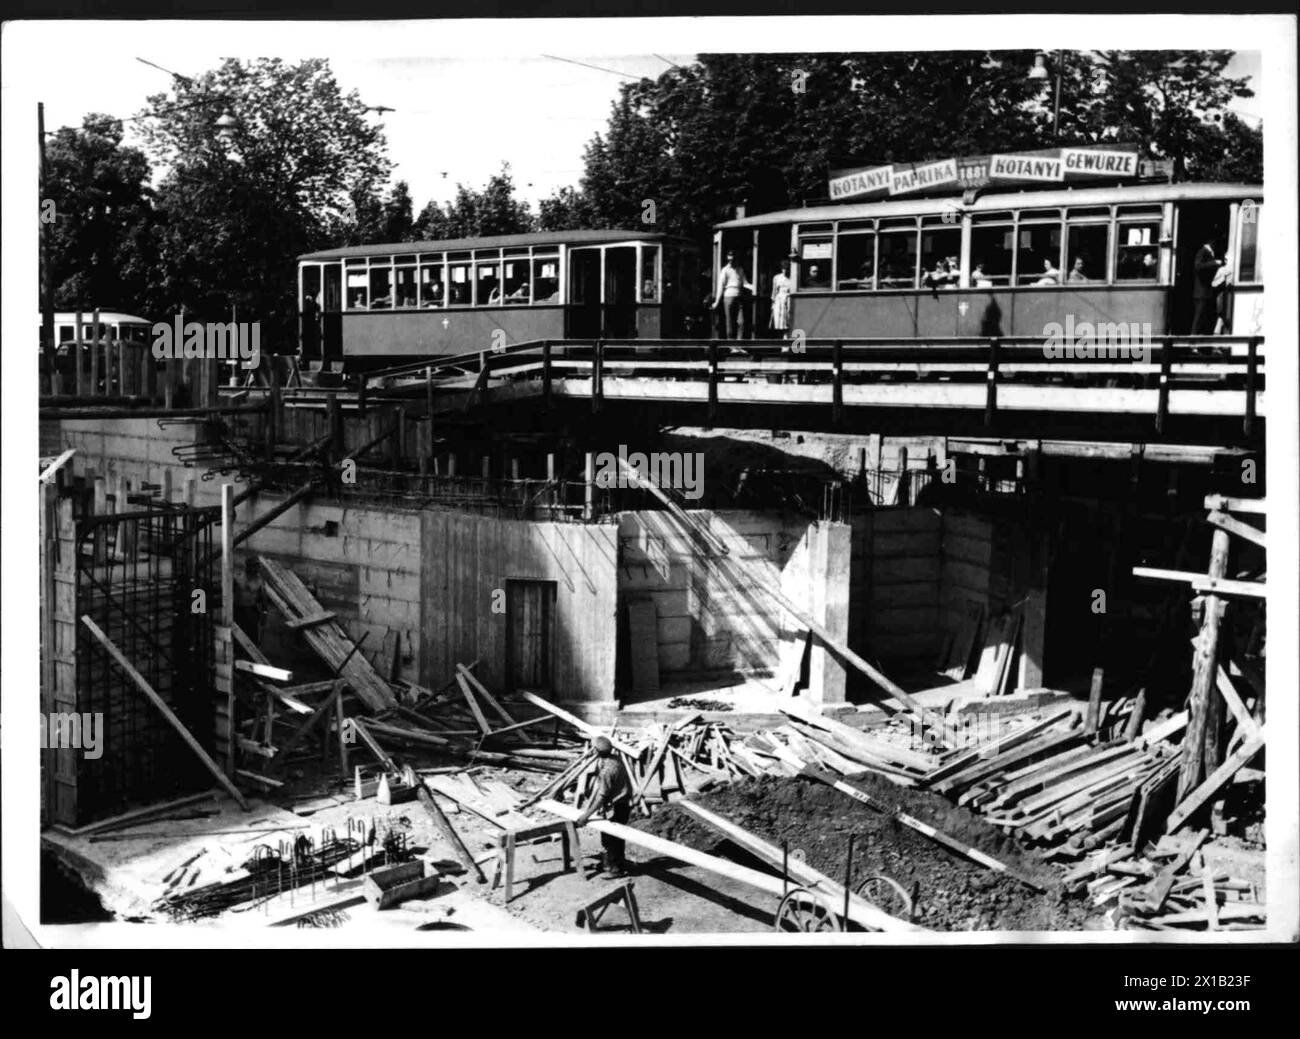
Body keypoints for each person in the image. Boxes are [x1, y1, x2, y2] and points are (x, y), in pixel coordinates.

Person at [575, 735, 632, 878]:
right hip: (619, 805)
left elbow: (602, 796)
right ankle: (607, 863)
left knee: (614, 840)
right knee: (608, 838)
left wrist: (585, 816)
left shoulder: (608, 770)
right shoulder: (616, 760)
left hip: (618, 807)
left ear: (596, 750)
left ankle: (616, 870)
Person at [714, 250, 754, 340]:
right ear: (727, 259)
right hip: (728, 297)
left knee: (741, 322)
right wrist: (717, 301)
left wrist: (754, 287)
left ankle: (738, 345)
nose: (731, 262)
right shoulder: (725, 270)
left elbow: (745, 283)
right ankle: (731, 346)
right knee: (730, 322)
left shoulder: (740, 269)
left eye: (733, 260)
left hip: (739, 297)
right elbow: (720, 287)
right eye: (729, 260)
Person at [1191, 237, 1220, 335]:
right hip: (1201, 292)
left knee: (1203, 319)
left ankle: (1197, 343)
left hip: (1205, 292)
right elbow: (1198, 266)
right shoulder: (1202, 252)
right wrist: (1214, 263)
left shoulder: (1208, 252)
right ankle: (1192, 343)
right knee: (1199, 318)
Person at [770, 259, 793, 338]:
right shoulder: (776, 277)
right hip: (779, 300)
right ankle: (781, 342)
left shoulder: (792, 278)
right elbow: (774, 291)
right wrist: (773, 303)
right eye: (783, 268)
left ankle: (786, 341)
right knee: (779, 322)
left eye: (787, 269)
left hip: (788, 299)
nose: (785, 271)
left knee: (787, 321)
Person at [1212, 257, 1233, 334]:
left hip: (1231, 296)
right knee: (1221, 316)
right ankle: (1217, 336)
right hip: (1222, 295)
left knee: (1229, 317)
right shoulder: (1222, 270)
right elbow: (1214, 284)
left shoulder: (1234, 269)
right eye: (1225, 259)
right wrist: (1222, 279)